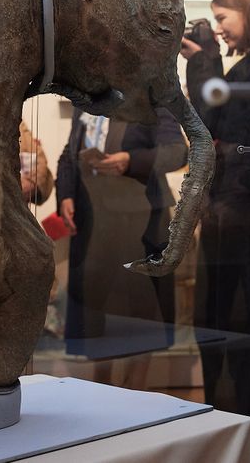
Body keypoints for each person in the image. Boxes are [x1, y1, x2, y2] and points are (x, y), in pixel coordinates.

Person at [180, 0, 250, 419]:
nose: (217, 30)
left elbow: (211, 118)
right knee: (220, 320)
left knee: (231, 321)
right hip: (229, 211)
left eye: (222, 19)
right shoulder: (248, 67)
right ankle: (230, 416)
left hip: (238, 214)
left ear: (248, 15)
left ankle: (236, 419)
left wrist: (205, 63)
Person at [55, 107, 186, 387]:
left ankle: (136, 387)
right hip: (94, 220)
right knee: (96, 303)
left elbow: (177, 151)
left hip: (140, 219)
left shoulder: (151, 99)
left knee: (140, 306)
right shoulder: (87, 101)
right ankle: (102, 387)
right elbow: (69, 154)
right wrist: (66, 195)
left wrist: (131, 160)